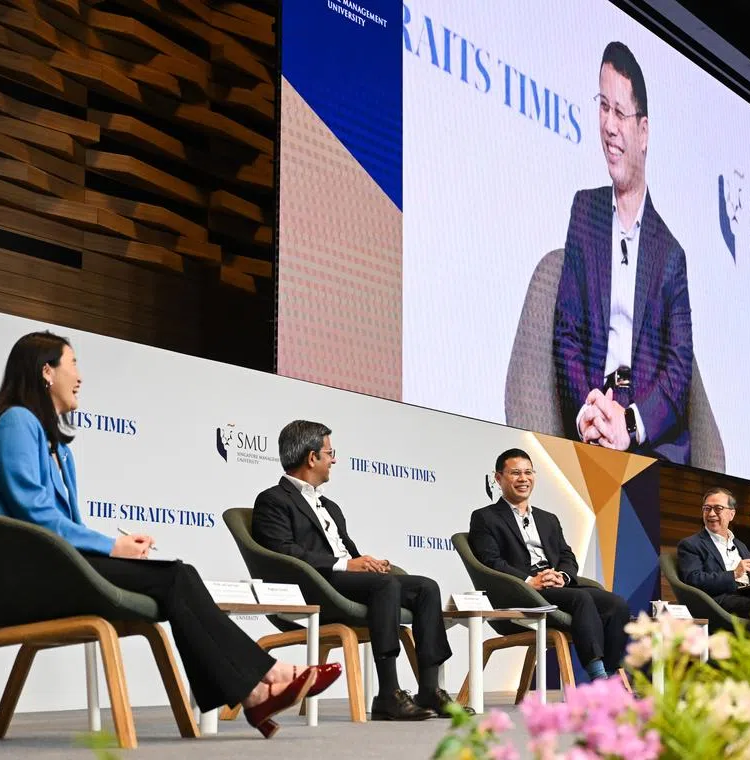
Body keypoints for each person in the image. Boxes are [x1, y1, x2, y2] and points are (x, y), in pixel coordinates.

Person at [0, 332, 341, 739]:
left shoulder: (60, 449)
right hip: (19, 579)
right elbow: (34, 515)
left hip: (56, 567)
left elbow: (65, 527)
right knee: (176, 576)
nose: (79, 376)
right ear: (46, 371)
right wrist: (112, 547)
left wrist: (119, 550)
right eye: (72, 363)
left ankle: (255, 691)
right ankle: (263, 679)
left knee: (178, 576)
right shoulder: (17, 422)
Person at [252, 420, 469, 721]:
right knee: (385, 587)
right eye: (330, 452)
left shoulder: (330, 506)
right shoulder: (272, 501)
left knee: (425, 587)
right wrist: (346, 564)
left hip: (345, 581)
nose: (334, 459)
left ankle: (430, 689)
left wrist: (366, 563)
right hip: (314, 587)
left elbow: (346, 551)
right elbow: (283, 552)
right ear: (312, 457)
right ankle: (388, 694)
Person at [553, 40, 693, 465]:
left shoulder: (670, 255)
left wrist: (629, 425)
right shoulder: (585, 213)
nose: (609, 126)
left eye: (621, 113)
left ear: (644, 131)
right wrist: (587, 414)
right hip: (592, 418)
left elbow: (678, 372)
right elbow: (566, 335)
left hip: (648, 440)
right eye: (603, 107)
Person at [468, 448, 630, 681]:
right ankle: (598, 677)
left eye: (528, 472)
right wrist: (529, 582)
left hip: (556, 586)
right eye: (515, 473)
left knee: (617, 605)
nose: (523, 479)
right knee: (582, 599)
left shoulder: (547, 519)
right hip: (521, 593)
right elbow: (491, 561)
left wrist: (562, 576)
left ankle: (612, 676)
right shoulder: (485, 517)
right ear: (498, 478)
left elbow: (566, 555)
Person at [676, 487, 750, 619]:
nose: (711, 514)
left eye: (718, 509)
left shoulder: (740, 545)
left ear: (731, 514)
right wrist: (734, 574)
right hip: (718, 601)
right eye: (707, 509)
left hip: (746, 596)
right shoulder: (691, 544)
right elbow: (693, 580)